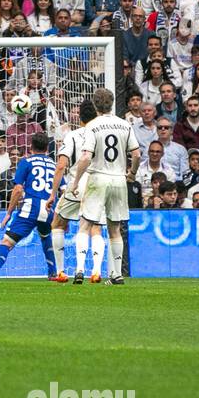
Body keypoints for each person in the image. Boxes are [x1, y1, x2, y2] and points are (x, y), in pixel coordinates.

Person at [69, 87, 138, 285]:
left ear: (95, 104)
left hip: (98, 178)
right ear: (113, 102)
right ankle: (116, 274)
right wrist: (131, 173)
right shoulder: (125, 125)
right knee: (115, 228)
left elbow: (85, 156)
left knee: (85, 225)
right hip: (118, 179)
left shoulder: (92, 125)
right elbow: (137, 154)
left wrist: (76, 181)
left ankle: (80, 269)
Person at [0, 131, 60, 281]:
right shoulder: (54, 165)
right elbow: (63, 189)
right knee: (46, 236)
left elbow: (18, 189)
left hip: (31, 207)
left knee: (7, 241)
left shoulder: (26, 162)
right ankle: (53, 273)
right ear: (47, 148)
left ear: (31, 147)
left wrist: (9, 213)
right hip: (48, 209)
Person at [43, 99, 98, 280]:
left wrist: (53, 194)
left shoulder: (72, 136)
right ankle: (98, 271)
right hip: (99, 185)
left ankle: (60, 271)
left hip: (77, 184)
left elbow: (61, 166)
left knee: (57, 223)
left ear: (80, 117)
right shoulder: (101, 135)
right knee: (95, 228)